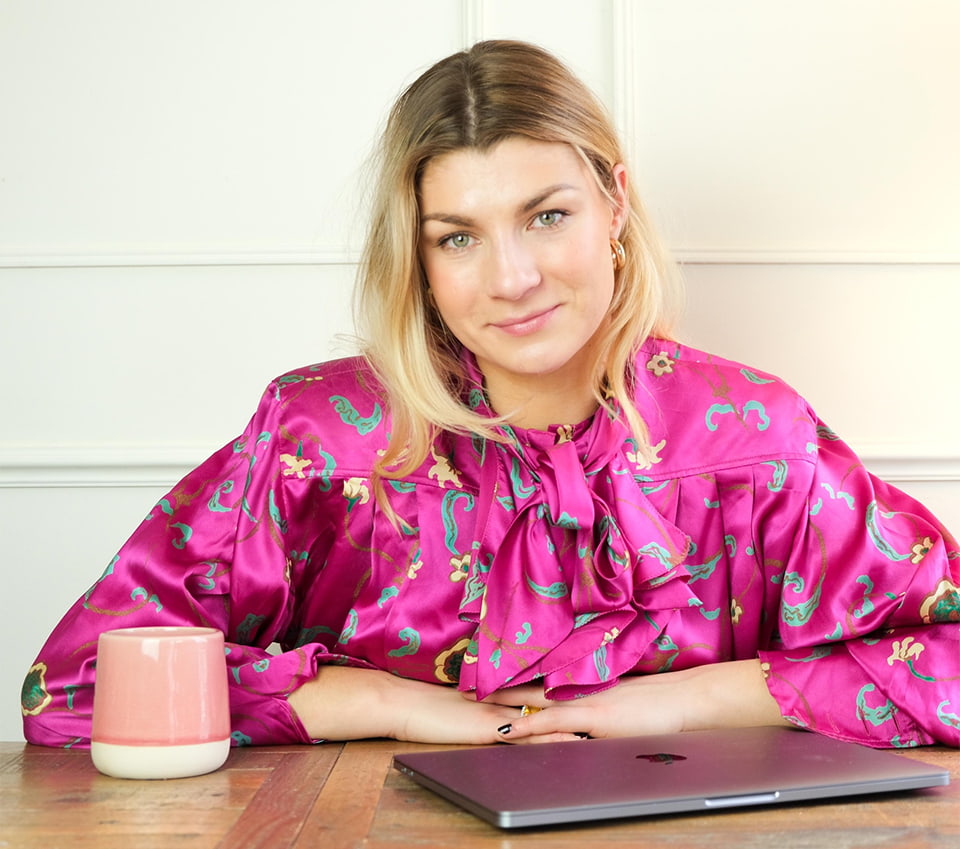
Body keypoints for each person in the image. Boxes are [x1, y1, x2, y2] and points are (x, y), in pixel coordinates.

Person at [22, 40, 959, 750]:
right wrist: (393, 704)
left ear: (615, 205)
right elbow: (74, 689)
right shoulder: (319, 438)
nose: (512, 278)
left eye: (546, 216)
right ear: (418, 256)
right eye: (458, 236)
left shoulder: (754, 434)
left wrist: (652, 705)